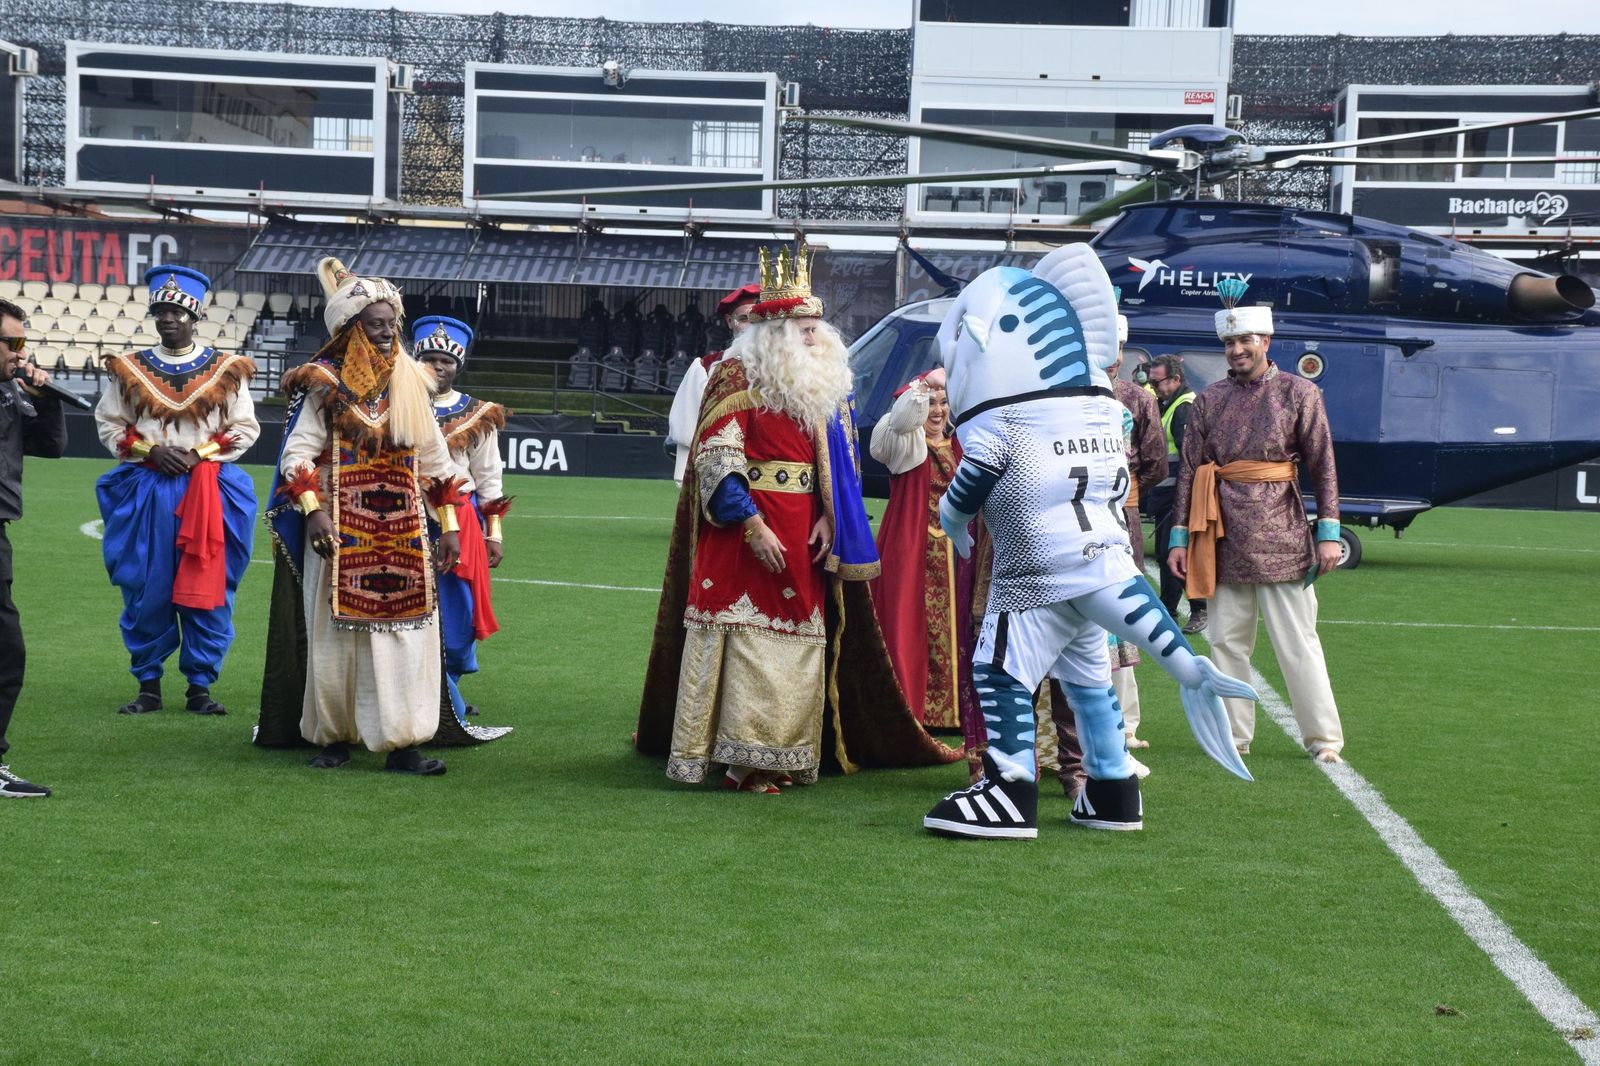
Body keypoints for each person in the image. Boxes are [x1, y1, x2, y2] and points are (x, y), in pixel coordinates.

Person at [919, 245, 1254, 840]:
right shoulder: (1100, 408)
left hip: (1034, 570)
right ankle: (1112, 786)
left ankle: (1008, 789)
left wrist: (951, 517)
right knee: (1088, 680)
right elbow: (1123, 477)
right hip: (1104, 563)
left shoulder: (1008, 417)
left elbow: (978, 473)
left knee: (998, 670)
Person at [635, 246, 958, 791]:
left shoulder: (822, 383)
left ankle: (779, 755)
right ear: (776, 333)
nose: (816, 337)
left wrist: (831, 518)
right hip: (745, 529)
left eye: (817, 327)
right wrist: (751, 524)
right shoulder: (735, 374)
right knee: (746, 639)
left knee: (799, 639)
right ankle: (740, 762)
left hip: (804, 527)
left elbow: (837, 463)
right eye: (805, 329)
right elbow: (717, 457)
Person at [267, 257, 468, 775]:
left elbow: (437, 463)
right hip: (339, 531)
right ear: (351, 328)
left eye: (391, 323)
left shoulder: (413, 382)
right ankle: (334, 738)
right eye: (376, 323)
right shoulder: (322, 384)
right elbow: (297, 455)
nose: (386, 332)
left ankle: (404, 745)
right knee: (335, 639)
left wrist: (449, 527)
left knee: (407, 638)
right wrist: (313, 512)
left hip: (405, 532)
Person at [1166, 284, 1346, 764]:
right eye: (1230, 342)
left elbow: (1323, 464)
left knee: (1298, 643)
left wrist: (1329, 532)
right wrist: (1180, 538)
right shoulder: (1209, 400)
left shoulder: (1300, 393)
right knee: (1225, 642)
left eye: (1246, 340)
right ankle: (1234, 735)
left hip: (1284, 534)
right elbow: (1189, 471)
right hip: (1220, 535)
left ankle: (1324, 738)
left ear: (1266, 341)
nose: (1237, 350)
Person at [94, 265, 259, 718]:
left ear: (195, 315)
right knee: (146, 584)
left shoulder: (227, 370)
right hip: (148, 486)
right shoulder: (129, 369)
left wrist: (198, 454)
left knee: (210, 585)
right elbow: (109, 424)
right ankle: (148, 684)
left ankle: (200, 687)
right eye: (161, 311)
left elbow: (244, 428)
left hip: (211, 488)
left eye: (177, 311)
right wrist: (149, 450)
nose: (167, 318)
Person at [414, 314, 514, 723]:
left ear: (458, 365)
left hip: (462, 520)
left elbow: (489, 478)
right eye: (430, 359)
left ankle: (446, 686)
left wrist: (495, 534)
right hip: (406, 516)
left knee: (458, 611)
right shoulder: (395, 405)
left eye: (446, 361)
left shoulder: (478, 414)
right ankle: (435, 695)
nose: (438, 367)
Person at [869, 367, 977, 736]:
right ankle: (914, 710)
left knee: (961, 627)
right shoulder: (906, 446)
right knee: (910, 627)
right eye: (931, 403)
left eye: (943, 403)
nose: (938, 410)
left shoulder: (959, 444)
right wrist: (919, 390)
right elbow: (899, 422)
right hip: (912, 550)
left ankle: (956, 713)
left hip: (957, 554)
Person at [0, 299, 66, 797]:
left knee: (7, 654)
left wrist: (46, 398)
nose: (21, 352)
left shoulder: (10, 391)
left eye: (24, 342)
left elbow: (50, 446)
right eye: (13, 343)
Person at [1111, 316, 1166, 749]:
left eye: (1116, 347)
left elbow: (1156, 464)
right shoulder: (1061, 391)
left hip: (1122, 519)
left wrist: (1124, 494)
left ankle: (1127, 722)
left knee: (1124, 614)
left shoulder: (1138, 398)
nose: (1109, 357)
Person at [665, 283, 760, 484]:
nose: (752, 326)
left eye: (759, 318)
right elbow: (687, 430)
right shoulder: (705, 368)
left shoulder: (786, 370)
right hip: (719, 477)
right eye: (744, 319)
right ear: (730, 322)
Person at [1145, 354, 1206, 633]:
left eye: (1157, 382)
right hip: (1166, 496)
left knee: (1172, 554)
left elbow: (1189, 460)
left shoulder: (1184, 408)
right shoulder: (1170, 404)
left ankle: (1198, 607)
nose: (1153, 387)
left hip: (1176, 498)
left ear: (1176, 379)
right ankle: (1170, 610)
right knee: (1165, 555)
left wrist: (1184, 498)